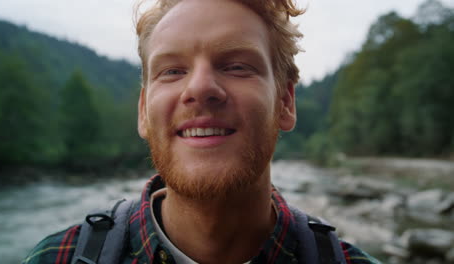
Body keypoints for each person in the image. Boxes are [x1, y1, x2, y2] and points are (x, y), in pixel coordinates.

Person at [23, 0, 381, 263]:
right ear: (143, 112)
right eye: (172, 71)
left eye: (237, 66)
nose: (199, 88)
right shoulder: (56, 257)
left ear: (285, 102)